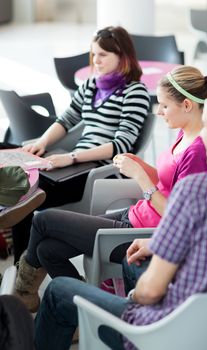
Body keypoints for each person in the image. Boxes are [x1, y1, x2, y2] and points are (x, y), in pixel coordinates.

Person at [33, 85, 207, 350]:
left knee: (58, 290)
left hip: (166, 330)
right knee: (65, 250)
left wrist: (132, 296)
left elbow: (150, 292)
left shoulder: (197, 191)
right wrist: (158, 244)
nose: (202, 135)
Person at [10, 25, 150, 264]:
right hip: (75, 162)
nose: (96, 60)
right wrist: (41, 143)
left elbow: (122, 144)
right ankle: (23, 260)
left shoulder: (134, 92)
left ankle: (23, 266)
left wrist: (72, 157)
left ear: (123, 56)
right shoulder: (91, 85)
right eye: (93, 54)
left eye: (103, 55)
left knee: (24, 192)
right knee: (20, 182)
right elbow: (66, 119)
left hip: (100, 169)